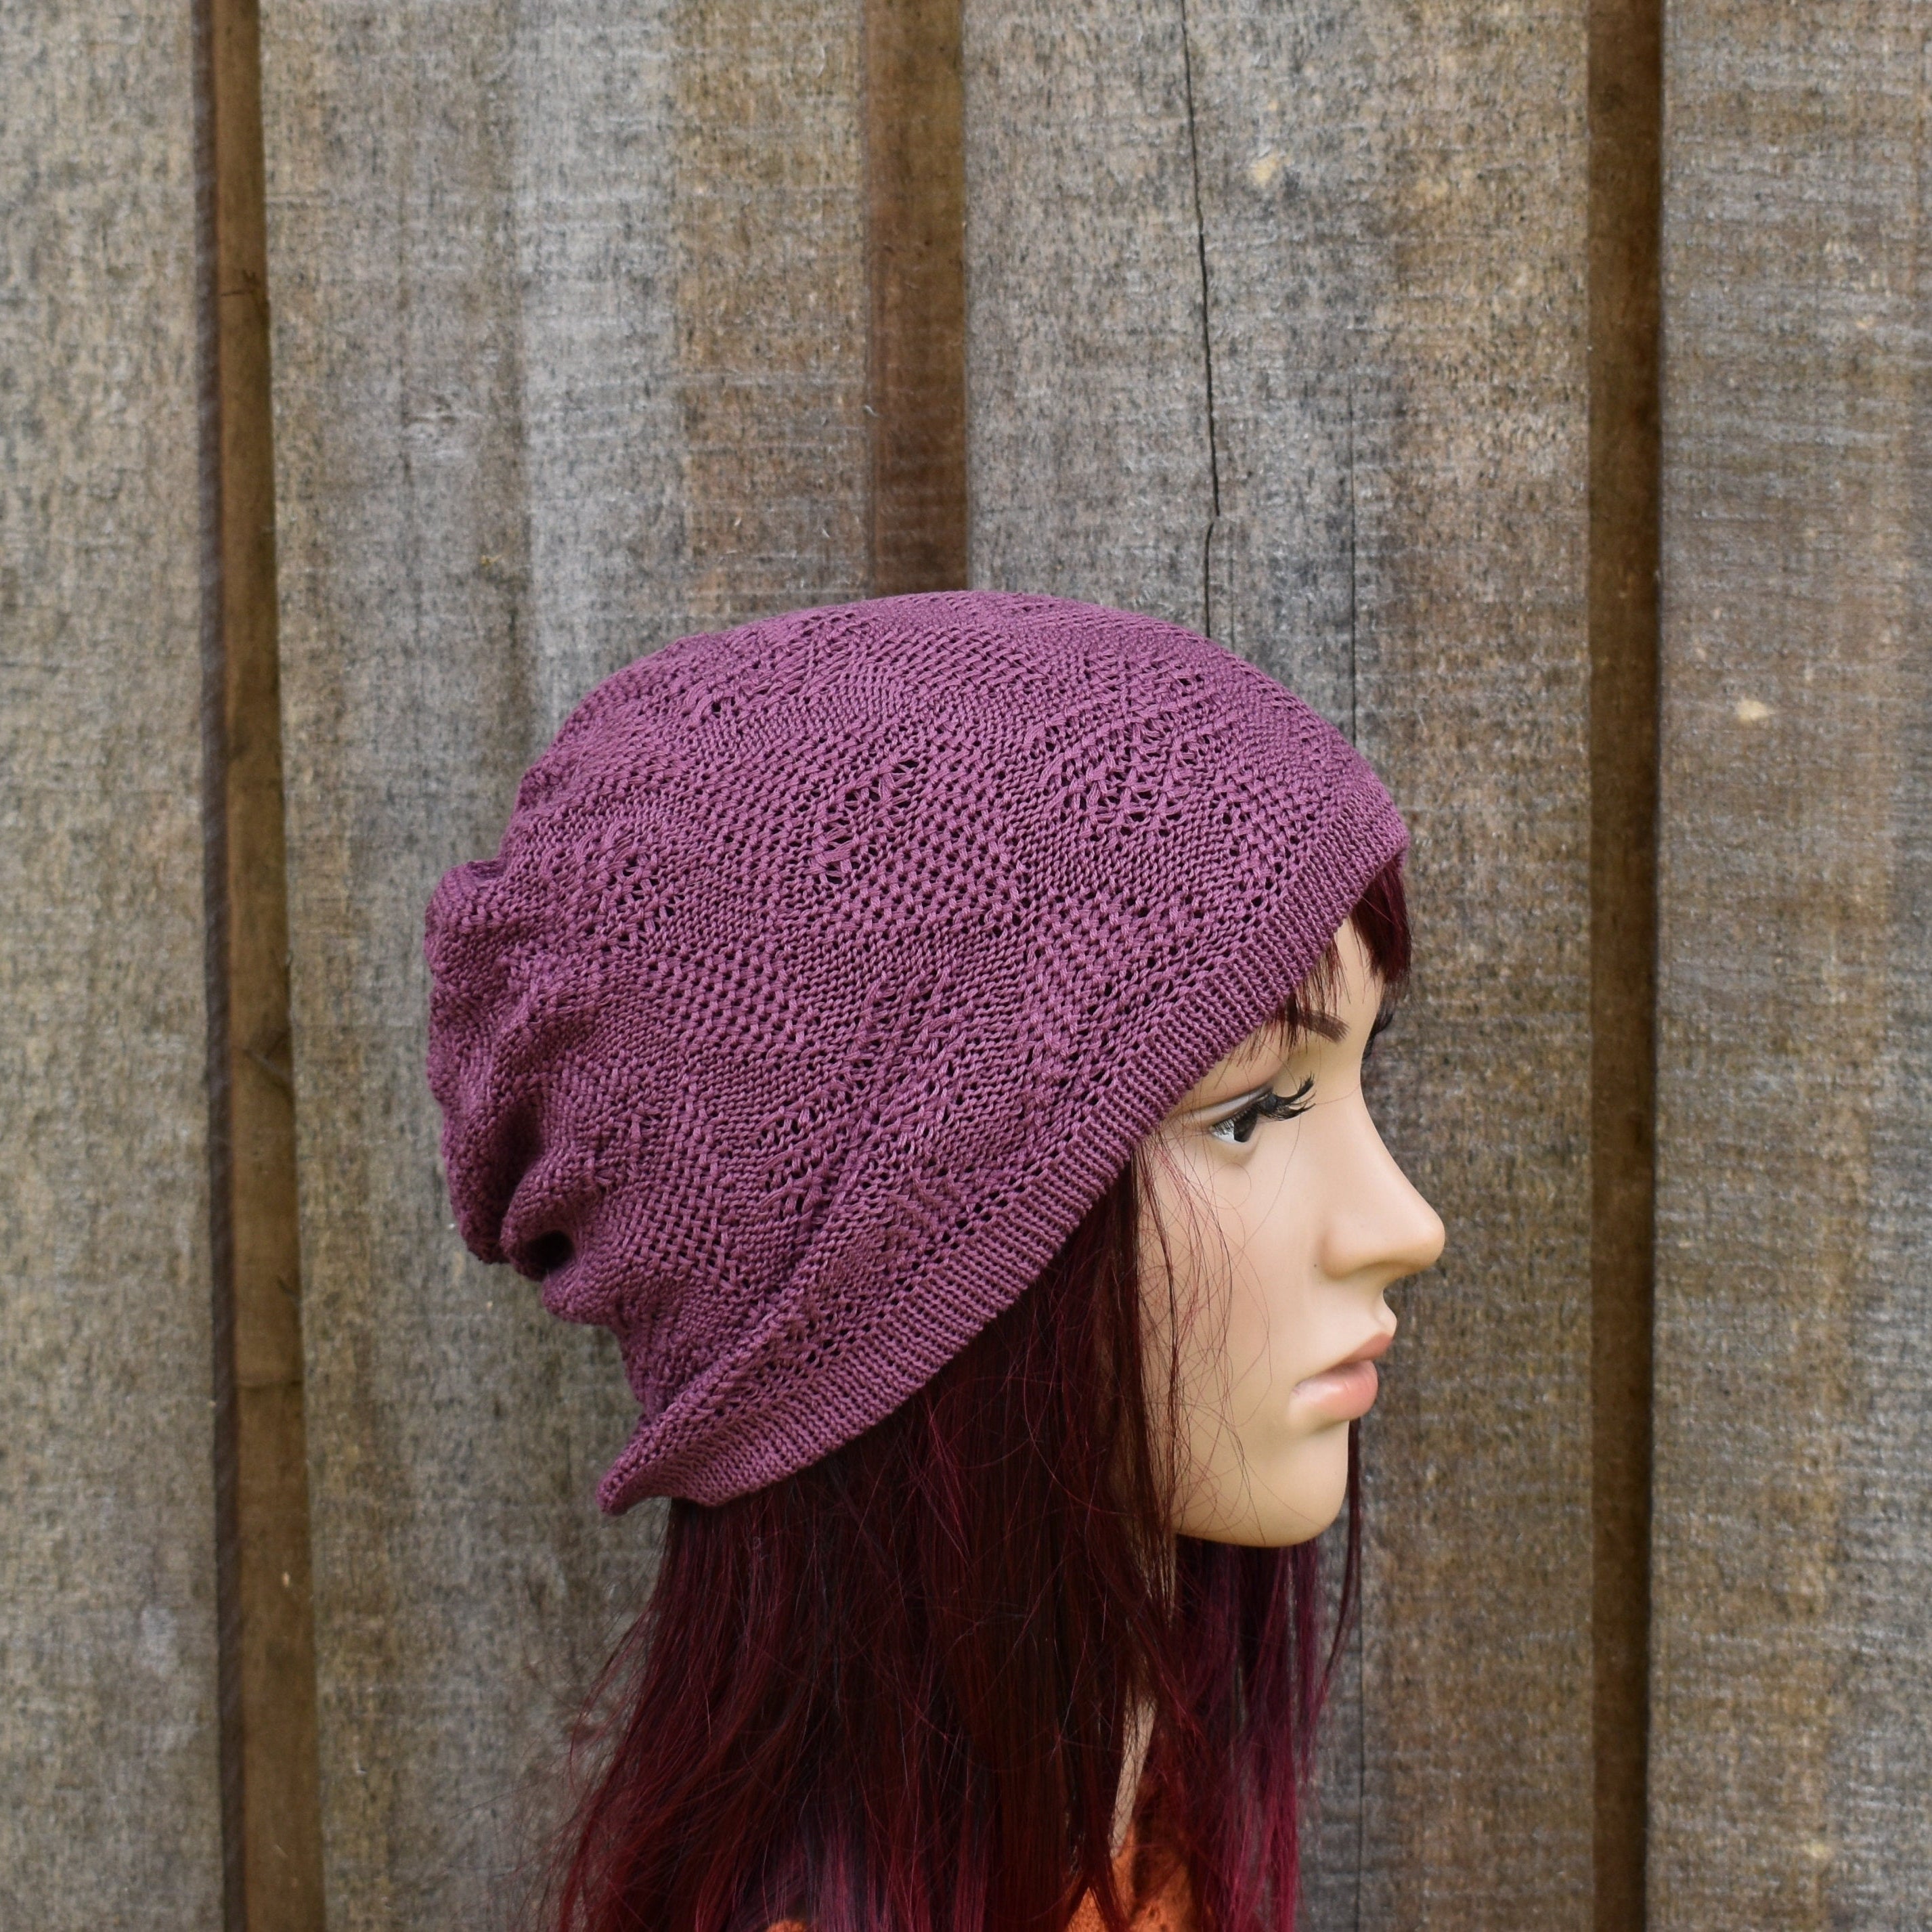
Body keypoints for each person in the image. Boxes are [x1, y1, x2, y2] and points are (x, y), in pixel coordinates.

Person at [424, 591, 1445, 1932]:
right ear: (875, 1285)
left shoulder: (1142, 1870)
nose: (1403, 1223)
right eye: (1248, 1112)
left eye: (1353, 1069)